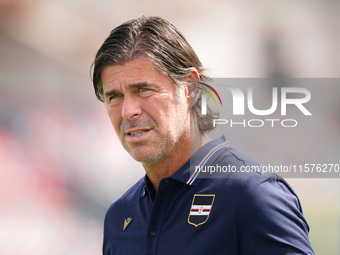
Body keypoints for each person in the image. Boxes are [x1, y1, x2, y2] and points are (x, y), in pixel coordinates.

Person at [91, 15, 315, 255]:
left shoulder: (253, 194)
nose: (128, 111)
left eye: (143, 89)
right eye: (114, 96)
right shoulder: (119, 215)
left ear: (190, 90)